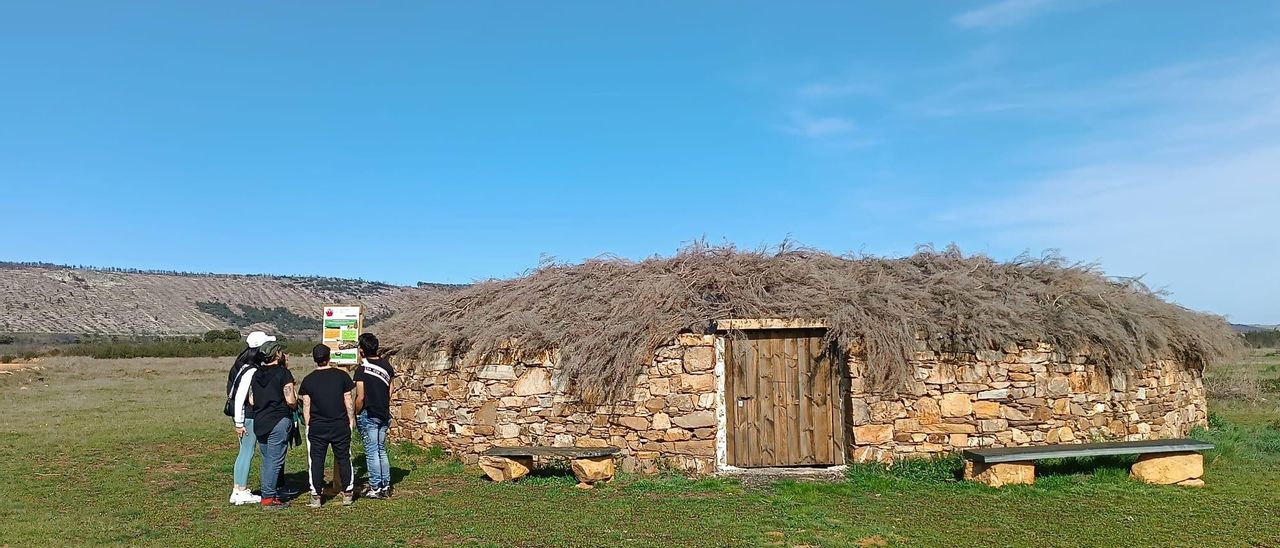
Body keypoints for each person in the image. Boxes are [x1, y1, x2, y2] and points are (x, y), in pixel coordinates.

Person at [299, 344, 356, 507]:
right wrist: (350, 420)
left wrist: (308, 424)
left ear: (314, 359)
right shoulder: (341, 376)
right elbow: (348, 400)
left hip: (317, 426)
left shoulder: (308, 380)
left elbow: (306, 405)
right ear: (329, 357)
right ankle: (348, 493)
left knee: (316, 461)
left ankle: (316, 495)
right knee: (344, 458)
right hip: (339, 424)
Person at [227, 331, 274, 505]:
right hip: (247, 416)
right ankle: (241, 490)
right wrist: (239, 422)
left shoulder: (243, 366)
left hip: (243, 416)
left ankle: (238, 489)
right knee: (247, 452)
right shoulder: (252, 370)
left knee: (243, 452)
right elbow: (240, 397)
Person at [249, 340, 297, 510]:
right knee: (275, 460)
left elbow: (252, 400)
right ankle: (268, 499)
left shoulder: (256, 374)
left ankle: (268, 493)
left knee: (266, 459)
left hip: (260, 421)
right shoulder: (283, 373)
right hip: (278, 420)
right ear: (277, 354)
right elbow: (290, 399)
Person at [354, 333, 395, 498]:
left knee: (371, 451)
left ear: (362, 350)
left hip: (368, 413)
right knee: (381, 449)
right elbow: (391, 388)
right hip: (383, 412)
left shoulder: (362, 369)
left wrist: (357, 412)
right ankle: (386, 485)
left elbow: (360, 396)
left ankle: (375, 487)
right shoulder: (387, 366)